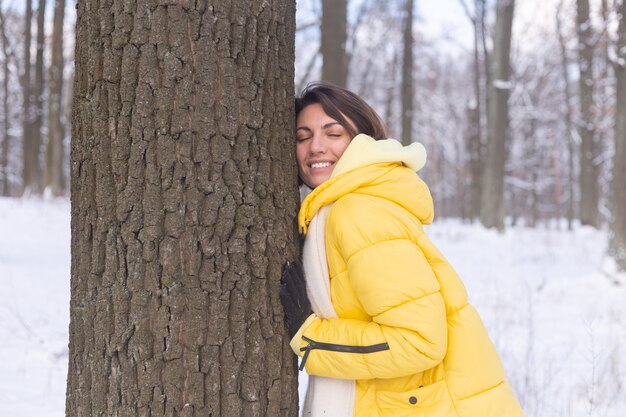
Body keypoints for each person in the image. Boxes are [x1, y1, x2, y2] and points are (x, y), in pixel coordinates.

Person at [279, 82, 525, 417]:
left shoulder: (360, 212)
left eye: (333, 134)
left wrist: (313, 338)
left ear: (362, 141)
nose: (316, 147)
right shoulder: (344, 208)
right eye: (302, 136)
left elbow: (419, 341)